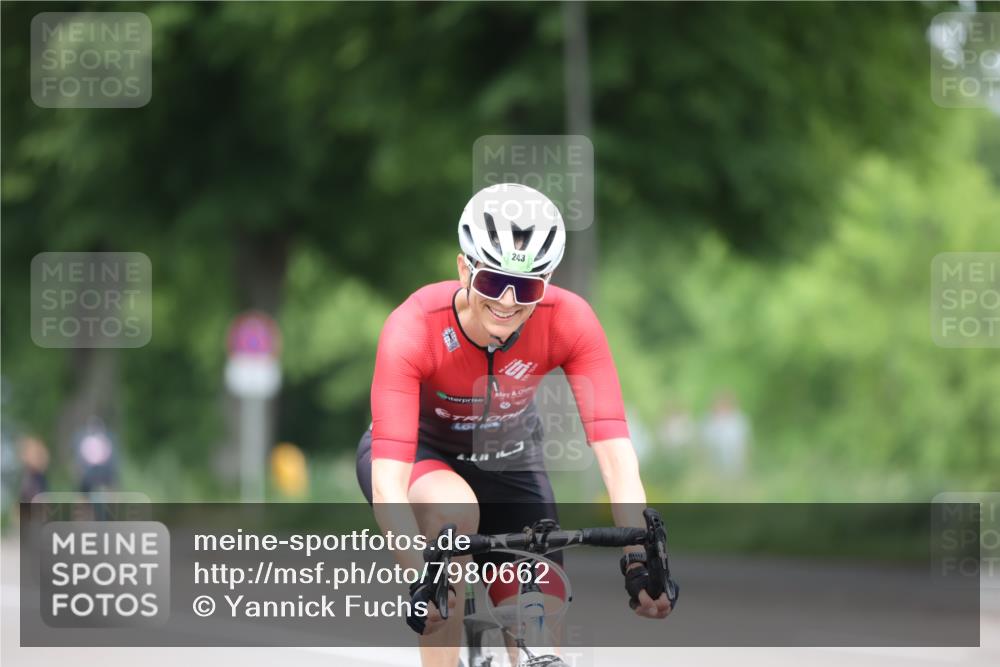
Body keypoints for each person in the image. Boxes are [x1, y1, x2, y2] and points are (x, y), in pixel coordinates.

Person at [356, 183, 672, 667]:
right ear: (464, 268)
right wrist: (422, 574)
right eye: (491, 281)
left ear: (547, 281)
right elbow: (388, 481)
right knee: (453, 520)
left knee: (539, 637)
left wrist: (636, 556)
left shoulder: (570, 321)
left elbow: (614, 453)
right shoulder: (415, 325)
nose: (507, 301)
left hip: (510, 465)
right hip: (419, 460)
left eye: (526, 287)